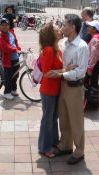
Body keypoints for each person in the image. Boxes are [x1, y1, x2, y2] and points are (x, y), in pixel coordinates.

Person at [46, 14, 89, 165]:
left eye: (64, 24)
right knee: (63, 118)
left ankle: (79, 151)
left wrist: (62, 74)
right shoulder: (62, 42)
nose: (62, 27)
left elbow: (81, 71)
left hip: (74, 88)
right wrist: (62, 72)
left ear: (73, 27)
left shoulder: (82, 46)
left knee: (76, 121)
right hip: (62, 86)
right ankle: (65, 145)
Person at [38, 23, 63, 158]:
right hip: (48, 90)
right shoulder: (48, 50)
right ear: (50, 34)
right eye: (56, 29)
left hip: (55, 90)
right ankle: (44, 147)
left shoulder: (57, 49)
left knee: (53, 118)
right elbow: (46, 73)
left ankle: (54, 142)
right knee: (47, 119)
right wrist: (65, 70)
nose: (60, 30)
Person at [0, 18, 21, 100]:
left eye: (6, 25)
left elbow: (15, 42)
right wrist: (15, 50)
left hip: (15, 58)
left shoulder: (11, 33)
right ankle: (7, 93)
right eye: (2, 25)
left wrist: (18, 48)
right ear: (0, 27)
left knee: (16, 75)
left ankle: (13, 90)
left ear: (9, 26)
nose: (4, 27)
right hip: (7, 59)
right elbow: (5, 47)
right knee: (8, 77)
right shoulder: (0, 36)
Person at [85, 20, 99, 110]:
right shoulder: (98, 37)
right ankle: (93, 104)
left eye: (90, 27)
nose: (88, 28)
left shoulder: (95, 39)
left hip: (94, 65)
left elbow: (94, 55)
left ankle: (90, 104)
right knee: (94, 84)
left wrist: (90, 68)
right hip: (97, 64)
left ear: (95, 30)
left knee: (91, 84)